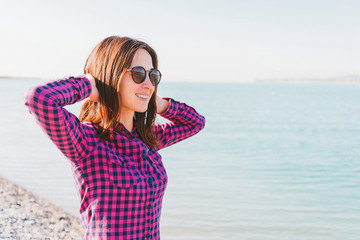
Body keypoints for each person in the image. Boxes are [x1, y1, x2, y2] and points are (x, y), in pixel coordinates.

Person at [24, 36, 205, 239]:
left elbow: (196, 123)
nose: (148, 83)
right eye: (138, 74)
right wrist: (89, 85)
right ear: (111, 76)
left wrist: (157, 102)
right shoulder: (86, 141)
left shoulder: (148, 138)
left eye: (153, 76)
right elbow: (39, 99)